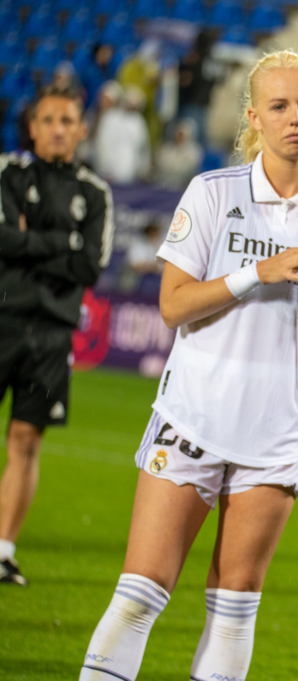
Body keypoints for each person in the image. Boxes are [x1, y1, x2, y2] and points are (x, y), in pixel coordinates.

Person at [78, 49, 298, 681]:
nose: (296, 117)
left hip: (278, 437)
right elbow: (173, 306)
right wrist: (258, 272)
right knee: (141, 592)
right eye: (280, 106)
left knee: (235, 606)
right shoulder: (213, 194)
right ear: (254, 117)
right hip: (194, 417)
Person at [0, 84, 113, 586]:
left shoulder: (95, 192)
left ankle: (2, 550)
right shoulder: (8, 172)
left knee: (26, 439)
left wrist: (27, 242)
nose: (58, 129)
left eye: (67, 120)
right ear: (32, 126)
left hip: (51, 334)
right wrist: (61, 241)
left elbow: (90, 265)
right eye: (49, 119)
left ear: (82, 130)